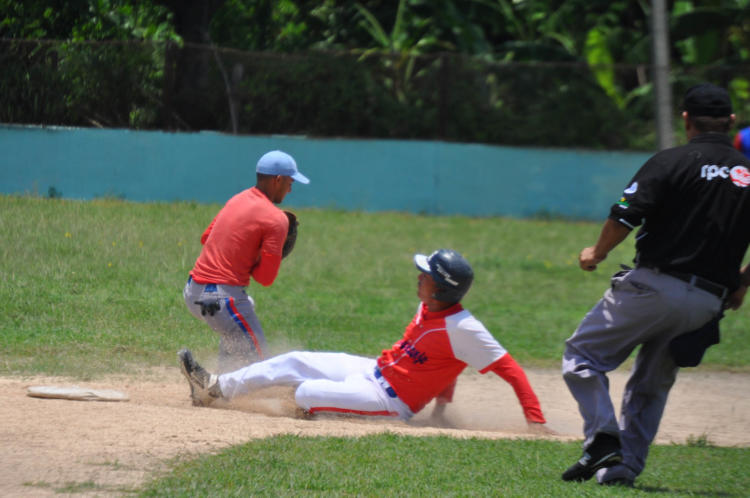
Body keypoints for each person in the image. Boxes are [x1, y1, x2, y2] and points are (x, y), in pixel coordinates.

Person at [561, 83, 750, 487]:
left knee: (582, 357)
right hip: (705, 302)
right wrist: (742, 284)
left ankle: (602, 438)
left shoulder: (673, 161)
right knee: (651, 384)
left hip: (653, 287)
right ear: (731, 121)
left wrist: (596, 253)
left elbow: (625, 215)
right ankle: (622, 469)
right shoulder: (747, 175)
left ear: (685, 120)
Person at [178, 249, 548, 429]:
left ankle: (314, 403)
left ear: (442, 286)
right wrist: (441, 408)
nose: (418, 276)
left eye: (425, 274)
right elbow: (448, 363)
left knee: (304, 393)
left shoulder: (465, 327)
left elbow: (511, 370)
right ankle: (213, 387)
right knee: (294, 360)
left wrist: (535, 422)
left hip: (390, 402)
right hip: (373, 372)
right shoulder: (432, 309)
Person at [183, 150, 309, 389]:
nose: (291, 189)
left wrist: (246, 248)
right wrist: (263, 253)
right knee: (263, 371)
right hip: (222, 300)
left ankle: (218, 380)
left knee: (242, 318)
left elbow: (205, 237)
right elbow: (265, 278)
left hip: (193, 291)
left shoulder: (238, 199)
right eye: (290, 182)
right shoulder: (276, 219)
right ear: (277, 180)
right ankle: (207, 385)